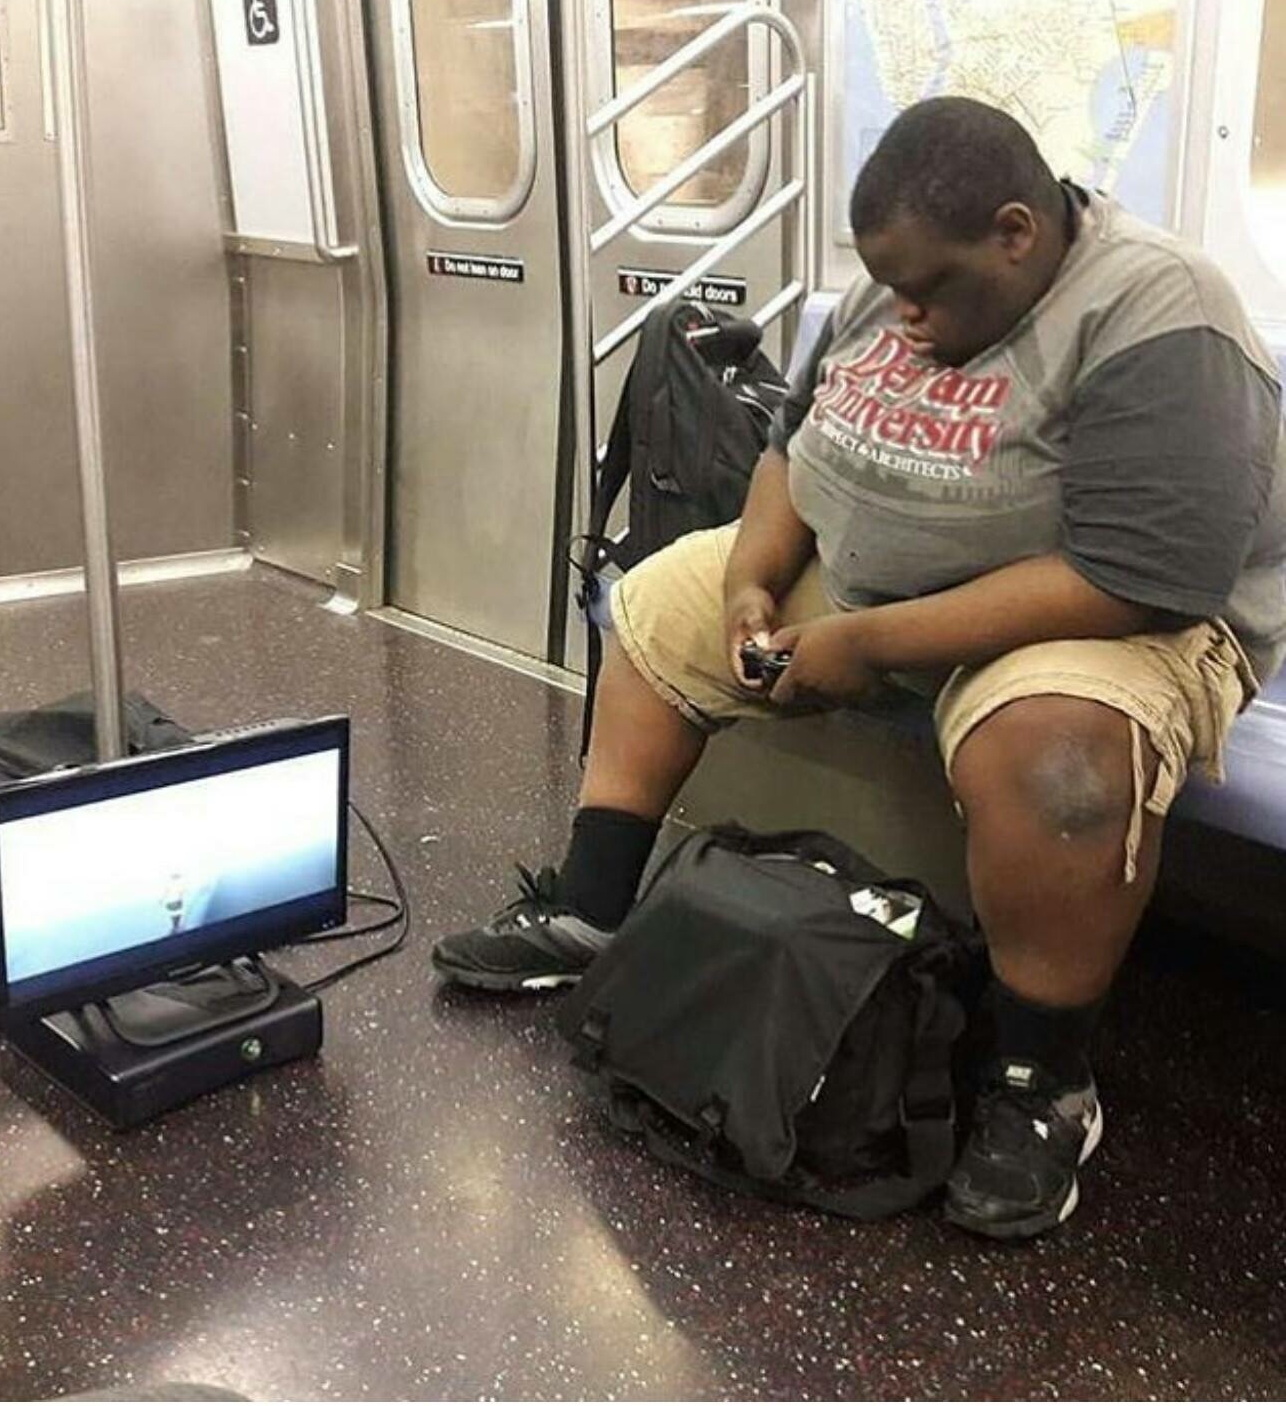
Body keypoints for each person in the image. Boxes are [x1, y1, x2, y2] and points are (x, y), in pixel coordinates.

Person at [431, 97, 1286, 1239]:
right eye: (890, 289)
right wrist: (749, 580)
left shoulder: (1157, 312)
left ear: (1016, 233)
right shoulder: (893, 288)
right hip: (875, 583)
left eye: (931, 290)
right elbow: (794, 446)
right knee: (654, 607)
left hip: (1090, 616)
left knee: (1058, 765)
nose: (908, 313)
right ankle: (590, 910)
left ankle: (1041, 1089)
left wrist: (868, 641)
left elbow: (1142, 577)